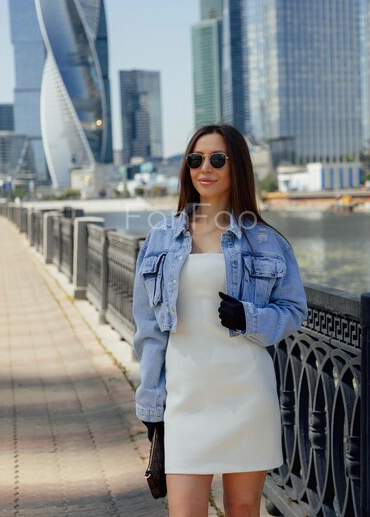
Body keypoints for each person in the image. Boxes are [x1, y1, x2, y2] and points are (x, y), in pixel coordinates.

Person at [132, 124, 307, 517]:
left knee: (243, 508)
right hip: (184, 396)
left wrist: (251, 317)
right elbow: (148, 331)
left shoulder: (265, 240)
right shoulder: (161, 238)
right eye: (195, 159)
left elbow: (294, 310)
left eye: (217, 159)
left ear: (237, 166)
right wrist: (151, 401)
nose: (204, 168)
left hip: (247, 395)